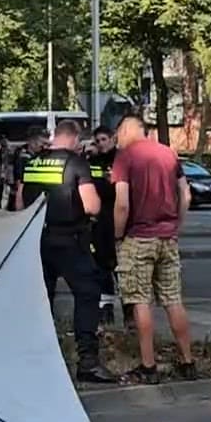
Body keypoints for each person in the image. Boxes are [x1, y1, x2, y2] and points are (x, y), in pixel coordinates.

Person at [21, 121, 117, 383]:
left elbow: (20, 201)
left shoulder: (33, 162)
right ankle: (87, 361)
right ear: (74, 138)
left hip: (38, 239)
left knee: (41, 300)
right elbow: (92, 206)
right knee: (87, 294)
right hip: (71, 241)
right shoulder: (76, 163)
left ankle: (37, 359)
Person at [112, 114, 196, 382]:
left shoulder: (125, 157)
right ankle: (187, 361)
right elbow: (186, 195)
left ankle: (148, 365)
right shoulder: (169, 154)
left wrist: (117, 235)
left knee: (140, 301)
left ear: (127, 130)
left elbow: (122, 203)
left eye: (118, 134)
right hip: (168, 237)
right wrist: (176, 226)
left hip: (138, 237)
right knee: (173, 299)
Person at [88, 126, 119, 310]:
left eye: (103, 139)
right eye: (97, 141)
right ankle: (105, 311)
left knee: (120, 270)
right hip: (99, 221)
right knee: (101, 269)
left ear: (112, 139)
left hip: (117, 217)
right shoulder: (93, 160)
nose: (100, 144)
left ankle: (129, 316)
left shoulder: (121, 159)